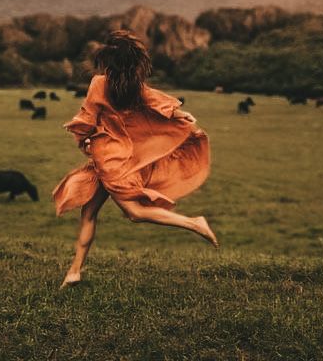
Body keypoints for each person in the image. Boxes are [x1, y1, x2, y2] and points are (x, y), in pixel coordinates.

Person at [53, 29, 218, 288]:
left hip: (110, 163)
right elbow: (156, 101)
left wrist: (81, 139)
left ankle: (194, 223)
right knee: (89, 212)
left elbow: (86, 117)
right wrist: (180, 115)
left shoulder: (99, 83)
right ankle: (74, 272)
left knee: (135, 212)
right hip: (114, 160)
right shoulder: (134, 87)